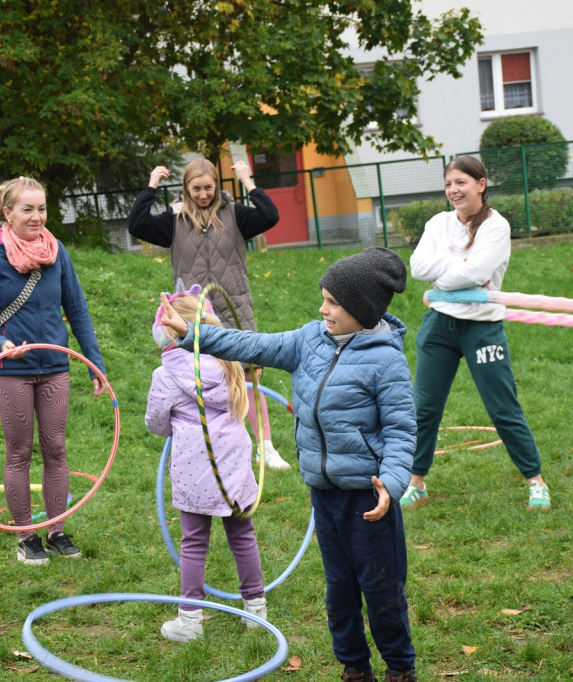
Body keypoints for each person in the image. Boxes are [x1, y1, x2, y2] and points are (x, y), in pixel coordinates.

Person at [158, 247, 418, 682]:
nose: (323, 308)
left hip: (369, 497)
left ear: (361, 309)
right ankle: (354, 669)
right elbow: (250, 344)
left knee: (381, 590)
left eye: (333, 302)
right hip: (325, 493)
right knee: (339, 592)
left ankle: (399, 669)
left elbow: (401, 429)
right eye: (324, 298)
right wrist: (193, 333)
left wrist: (391, 483)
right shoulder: (309, 339)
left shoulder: (385, 359)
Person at [0, 176, 108, 566]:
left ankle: (57, 530)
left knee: (56, 449)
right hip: (11, 369)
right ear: (6, 212)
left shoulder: (56, 251)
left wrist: (94, 361)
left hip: (55, 365)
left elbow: (77, 310)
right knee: (18, 452)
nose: (36, 216)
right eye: (27, 209)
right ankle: (25, 535)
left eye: (41, 208)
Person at [398, 156, 550, 511]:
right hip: (440, 326)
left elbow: (479, 270)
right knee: (424, 408)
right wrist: (459, 271)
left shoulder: (496, 227)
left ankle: (536, 480)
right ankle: (416, 483)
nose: (453, 190)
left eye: (461, 183)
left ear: (481, 184)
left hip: (482, 328)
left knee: (502, 407)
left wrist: (449, 275)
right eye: (449, 184)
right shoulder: (438, 224)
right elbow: (418, 267)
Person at [128, 158, 291, 472]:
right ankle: (220, 446)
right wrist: (151, 185)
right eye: (196, 189)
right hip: (194, 315)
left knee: (248, 377)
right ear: (186, 189)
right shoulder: (173, 222)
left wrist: (248, 180)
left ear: (217, 186)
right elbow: (136, 225)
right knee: (204, 381)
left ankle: (266, 448)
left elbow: (270, 215)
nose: (203, 195)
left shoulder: (234, 214)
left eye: (208, 188)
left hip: (234, 308)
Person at [145, 289, 267, 643]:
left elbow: (155, 423)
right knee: (243, 536)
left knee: (194, 542)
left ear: (167, 331)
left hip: (193, 469)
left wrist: (175, 425)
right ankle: (255, 610)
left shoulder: (165, 374)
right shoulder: (228, 363)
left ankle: (191, 619)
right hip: (235, 466)